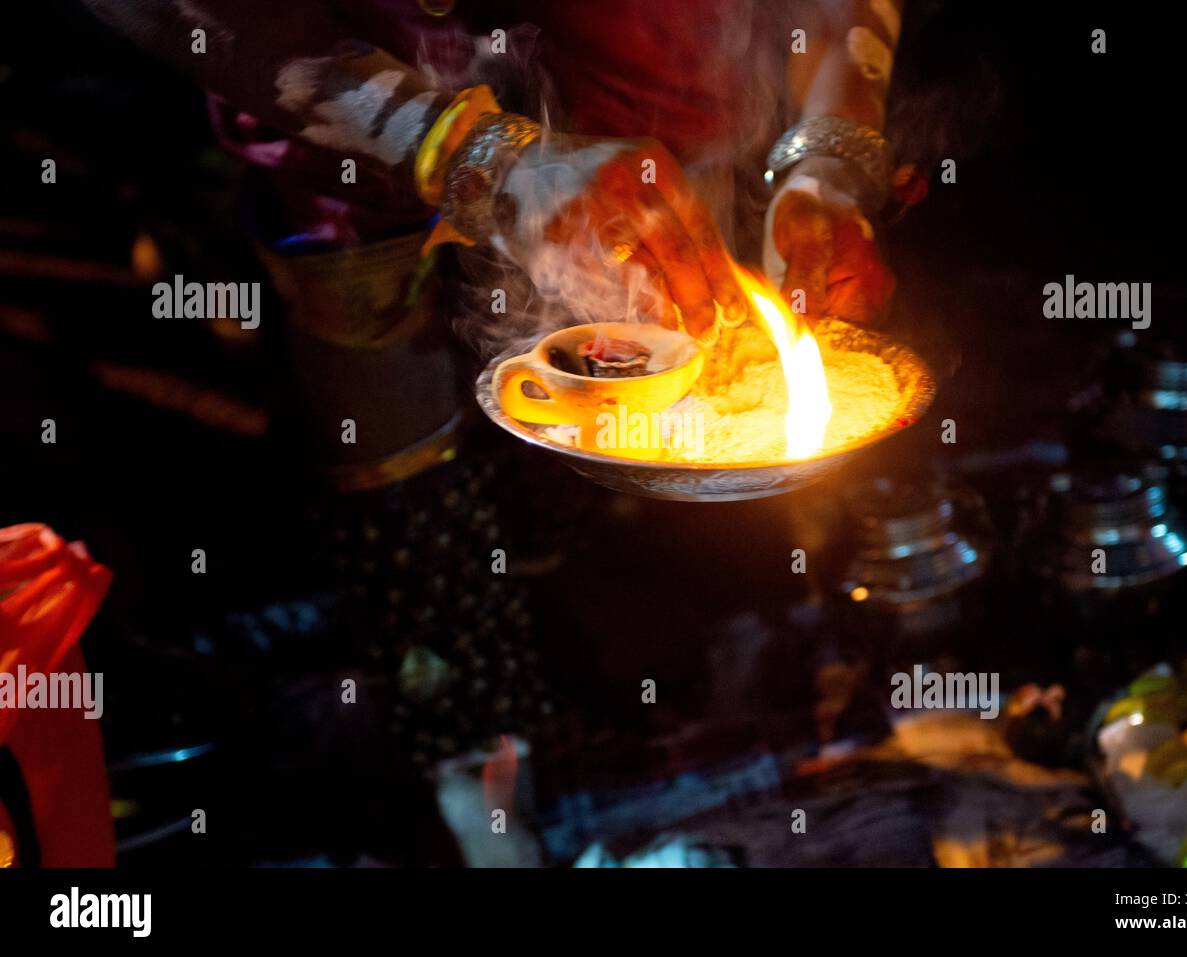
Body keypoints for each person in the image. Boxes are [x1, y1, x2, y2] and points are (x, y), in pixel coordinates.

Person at [79, 0, 913, 860]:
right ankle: (470, 757)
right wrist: (470, 153)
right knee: (403, 470)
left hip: (641, 122)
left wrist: (830, 155)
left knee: (594, 422)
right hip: (348, 124)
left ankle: (552, 650)